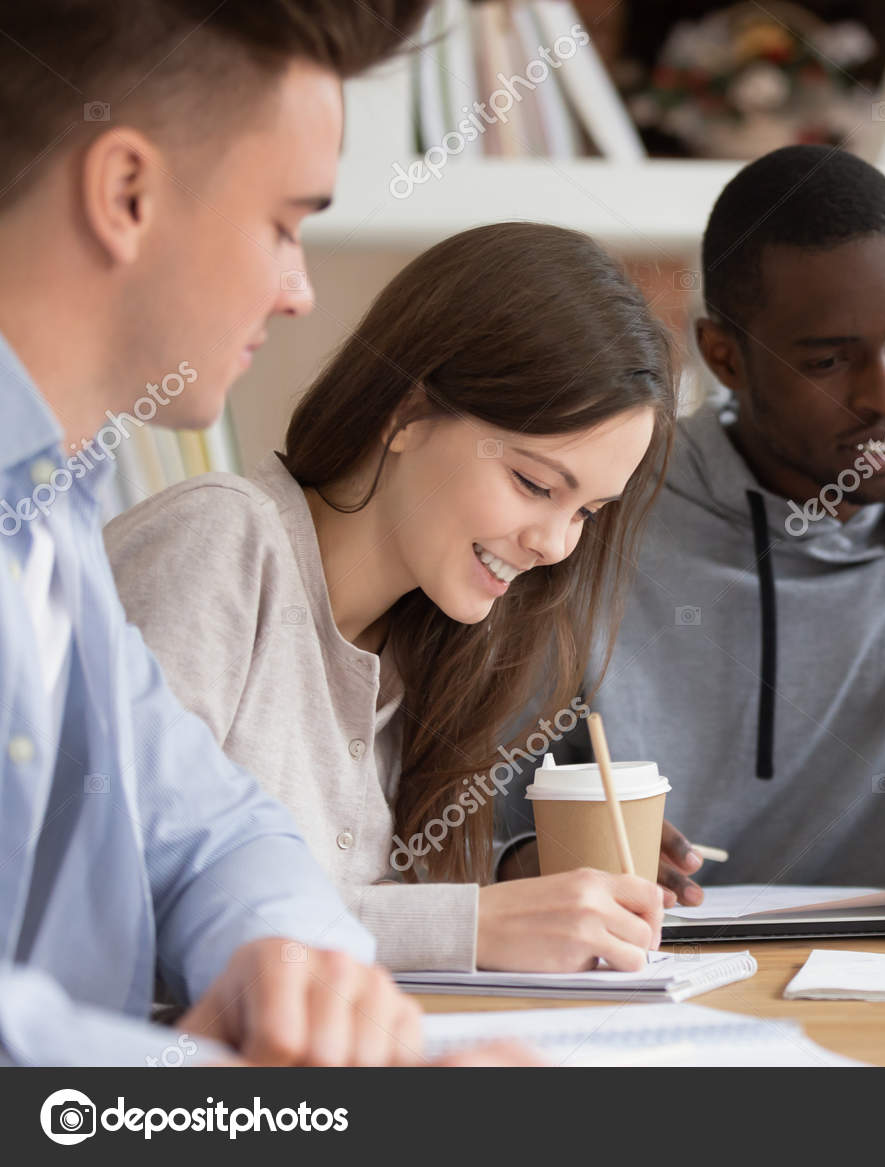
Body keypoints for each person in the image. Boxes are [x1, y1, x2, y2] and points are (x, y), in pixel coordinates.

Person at [0, 0, 527, 1066]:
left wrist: (293, 968)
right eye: (285, 224)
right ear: (127, 193)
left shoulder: (54, 502)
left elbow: (213, 828)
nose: (296, 291)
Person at [500, 146, 885, 937]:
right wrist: (544, 857)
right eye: (829, 360)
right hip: (660, 975)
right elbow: (469, 823)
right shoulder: (605, 508)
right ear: (724, 356)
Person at [105, 222, 678, 974]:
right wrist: (467, 925)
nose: (556, 544)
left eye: (586, 512)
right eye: (536, 485)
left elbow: (351, 907)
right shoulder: (220, 539)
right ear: (407, 412)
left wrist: (517, 881)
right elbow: (127, 894)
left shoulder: (430, 643)